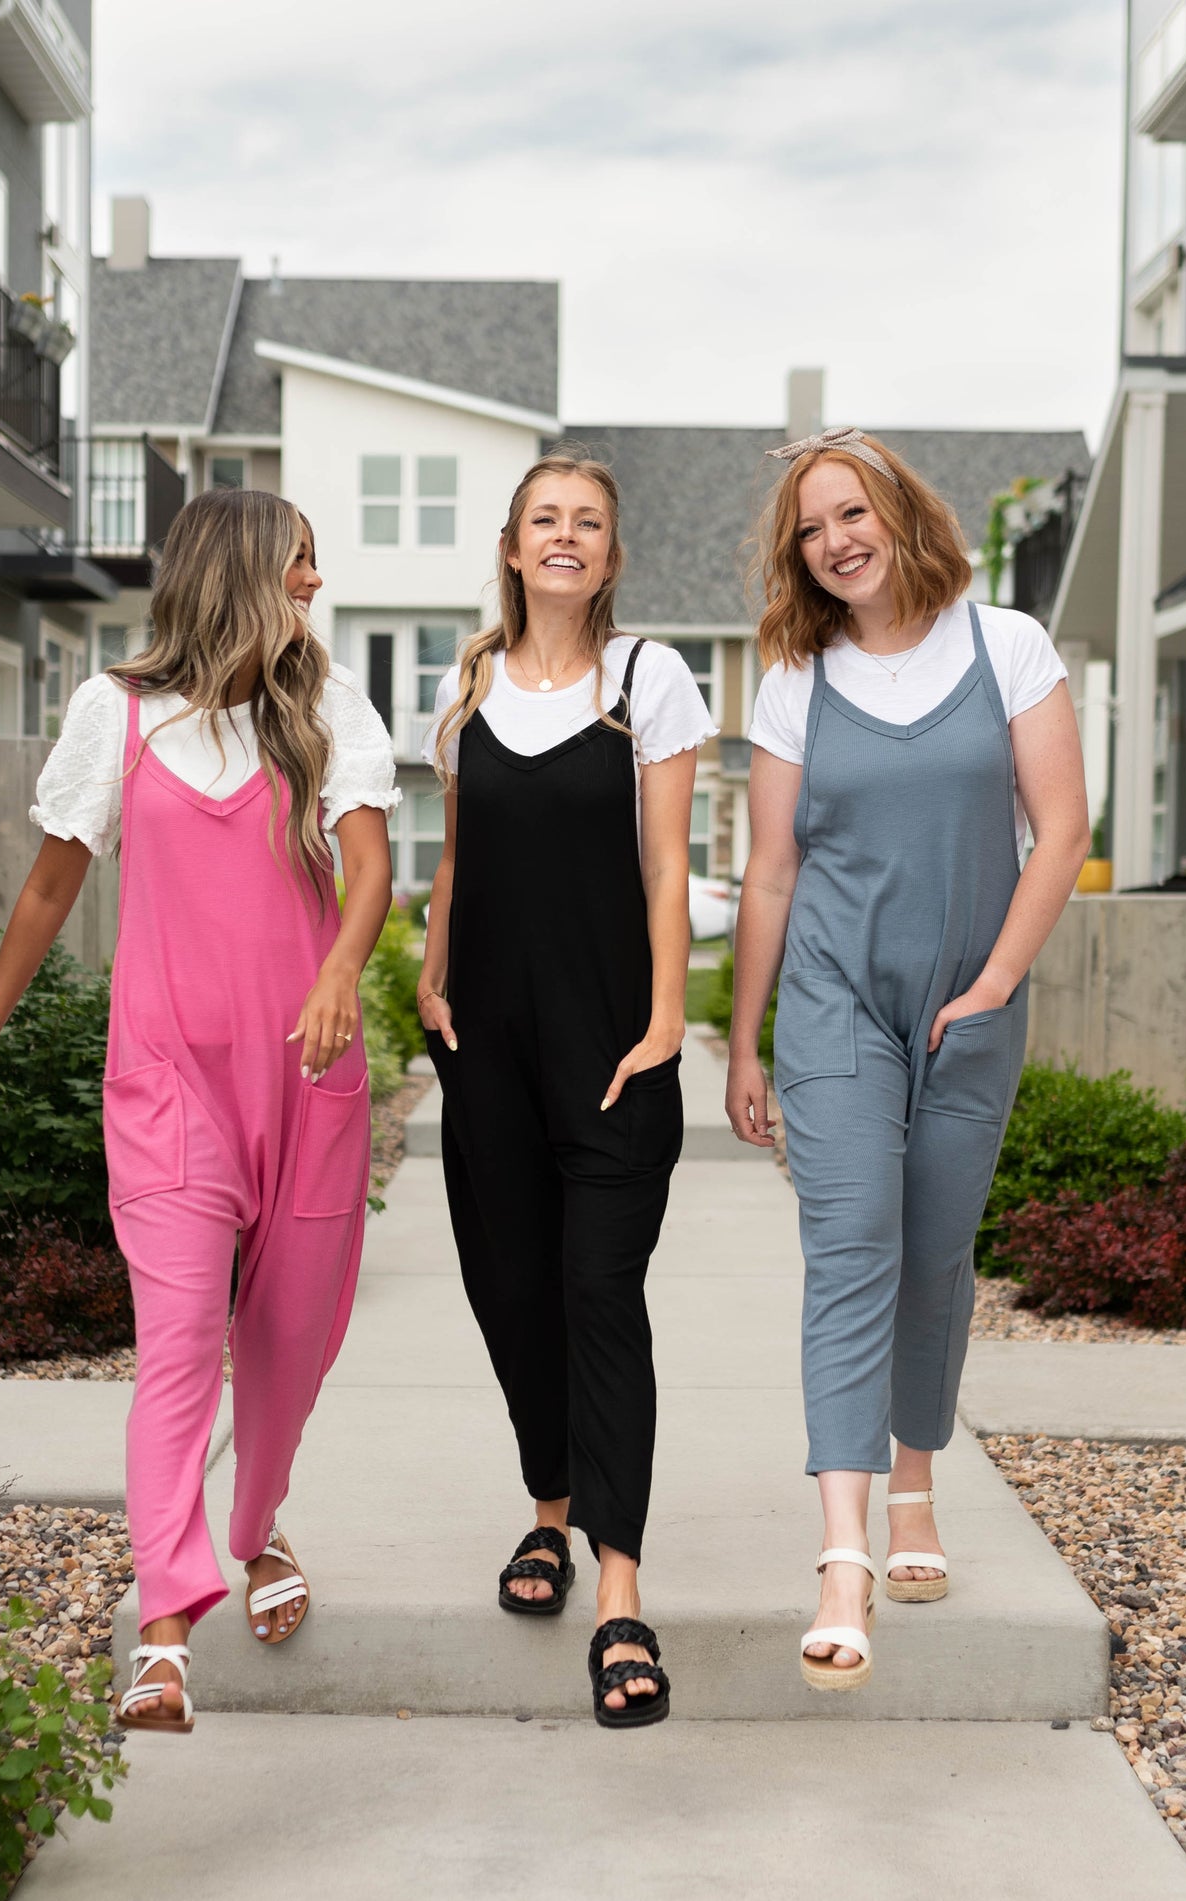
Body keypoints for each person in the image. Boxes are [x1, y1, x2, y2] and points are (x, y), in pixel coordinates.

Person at [0, 489, 398, 1733]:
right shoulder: (117, 713)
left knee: (290, 1349)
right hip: (169, 1086)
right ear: (242, 570)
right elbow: (46, 889)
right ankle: (163, 1632)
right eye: (299, 565)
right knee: (180, 1344)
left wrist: (343, 969)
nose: (314, 584)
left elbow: (368, 866)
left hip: (308, 1080)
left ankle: (255, 1527)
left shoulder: (325, 710)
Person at [726, 429, 1090, 1690]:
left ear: (897, 511)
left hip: (969, 1000)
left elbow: (1060, 832)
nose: (834, 539)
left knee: (934, 1256)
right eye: (811, 527)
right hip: (833, 1005)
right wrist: (743, 1039)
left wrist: (993, 982)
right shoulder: (793, 681)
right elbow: (770, 871)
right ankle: (843, 1559)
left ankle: (916, 1489)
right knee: (850, 1253)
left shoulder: (1004, 648)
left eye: (850, 511)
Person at [417, 456, 713, 1726]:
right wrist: (427, 985)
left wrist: (664, 1016)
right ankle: (549, 1508)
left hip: (610, 1048)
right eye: (546, 519)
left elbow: (664, 867)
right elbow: (454, 855)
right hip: (480, 1035)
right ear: (510, 542)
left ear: (611, 555)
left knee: (599, 1294)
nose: (566, 538)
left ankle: (621, 1591)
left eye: (588, 523)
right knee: (512, 1293)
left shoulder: (647, 679)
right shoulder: (464, 681)